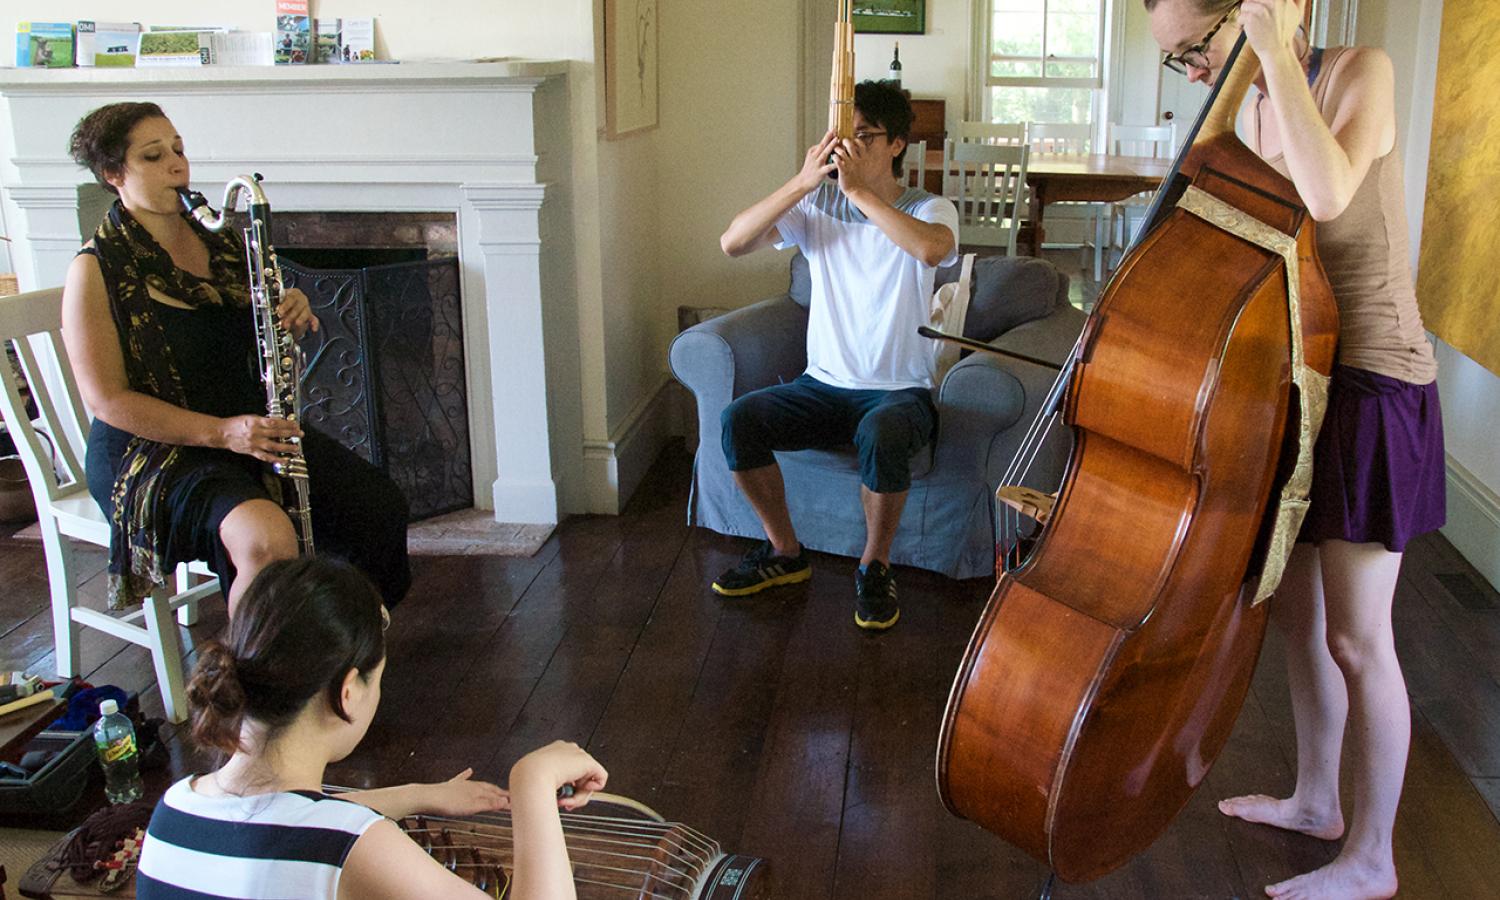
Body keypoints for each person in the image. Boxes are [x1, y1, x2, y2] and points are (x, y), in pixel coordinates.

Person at [1148, 2, 1444, 898]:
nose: (1194, 73)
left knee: (1359, 639)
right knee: (1298, 618)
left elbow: (1327, 196)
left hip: (1374, 382)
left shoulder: (1360, 73)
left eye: (1195, 48)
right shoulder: (1250, 107)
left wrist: (1272, 49)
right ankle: (1318, 802)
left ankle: (1374, 860)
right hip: (1302, 379)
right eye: (1175, 60)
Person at [63, 102, 411, 617]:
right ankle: (262, 665)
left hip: (244, 428)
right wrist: (223, 433)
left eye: (179, 150)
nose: (177, 166)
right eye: (153, 157)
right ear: (114, 174)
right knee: (265, 539)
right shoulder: (95, 269)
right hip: (155, 449)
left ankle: (342, 637)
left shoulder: (221, 244)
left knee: (376, 505)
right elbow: (108, 401)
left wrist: (292, 309)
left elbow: (256, 339)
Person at [135, 556, 609, 899]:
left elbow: (281, 820)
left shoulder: (172, 811)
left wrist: (418, 795)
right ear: (348, 693)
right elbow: (320, 831)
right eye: (377, 680)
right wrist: (532, 781)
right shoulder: (348, 845)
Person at [715, 80, 959, 631]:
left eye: (864, 136)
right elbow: (733, 242)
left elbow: (930, 250)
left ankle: (875, 567)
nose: (847, 147)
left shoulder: (928, 207)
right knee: (739, 420)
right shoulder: (816, 207)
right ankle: (784, 552)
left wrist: (858, 193)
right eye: (842, 136)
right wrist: (803, 182)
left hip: (899, 392)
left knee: (883, 431)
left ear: (896, 144)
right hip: (822, 386)